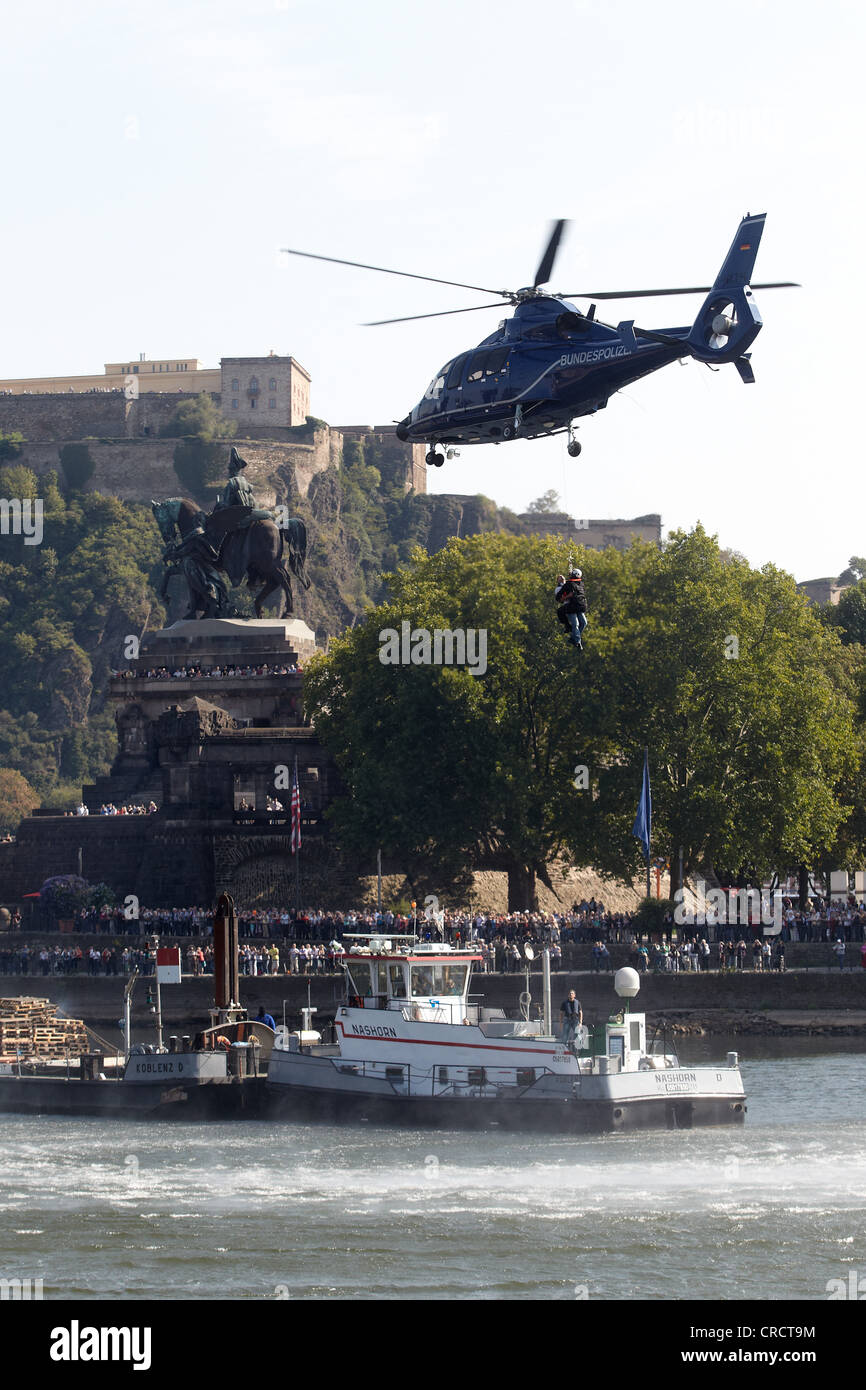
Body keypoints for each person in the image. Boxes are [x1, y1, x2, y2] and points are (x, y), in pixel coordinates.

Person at [556, 567, 588, 649]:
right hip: (571, 607)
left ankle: (573, 638)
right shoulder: (567, 585)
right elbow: (559, 596)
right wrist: (565, 597)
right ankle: (577, 641)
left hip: (579, 606)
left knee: (584, 623)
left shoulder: (580, 584)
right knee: (576, 624)